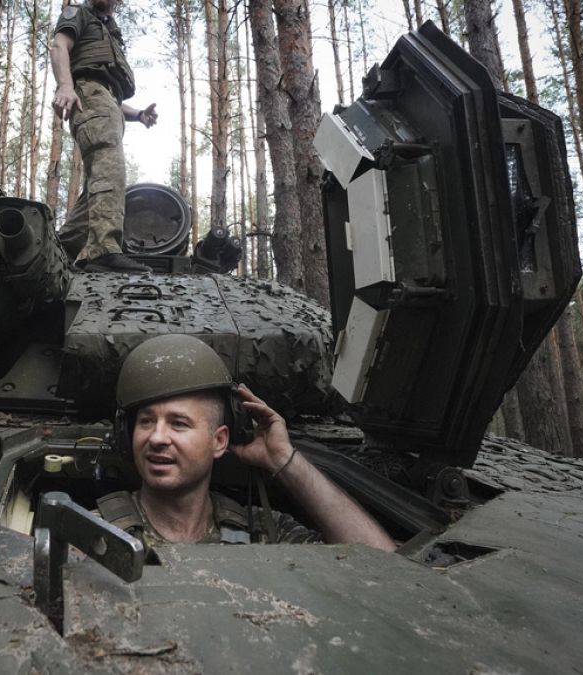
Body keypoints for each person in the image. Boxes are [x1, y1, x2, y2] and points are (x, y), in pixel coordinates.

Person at [101, 334, 396, 551]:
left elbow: (383, 567)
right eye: (146, 421)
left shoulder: (263, 532)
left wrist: (284, 459)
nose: (156, 438)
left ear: (219, 441)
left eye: (179, 424)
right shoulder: (94, 533)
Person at [49, 0, 158, 273]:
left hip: (105, 100)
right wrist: (64, 85)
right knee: (110, 171)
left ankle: (59, 251)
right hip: (89, 95)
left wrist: (139, 116)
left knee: (101, 181)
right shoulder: (79, 14)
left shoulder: (109, 31)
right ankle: (103, 251)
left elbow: (108, 94)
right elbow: (59, 45)